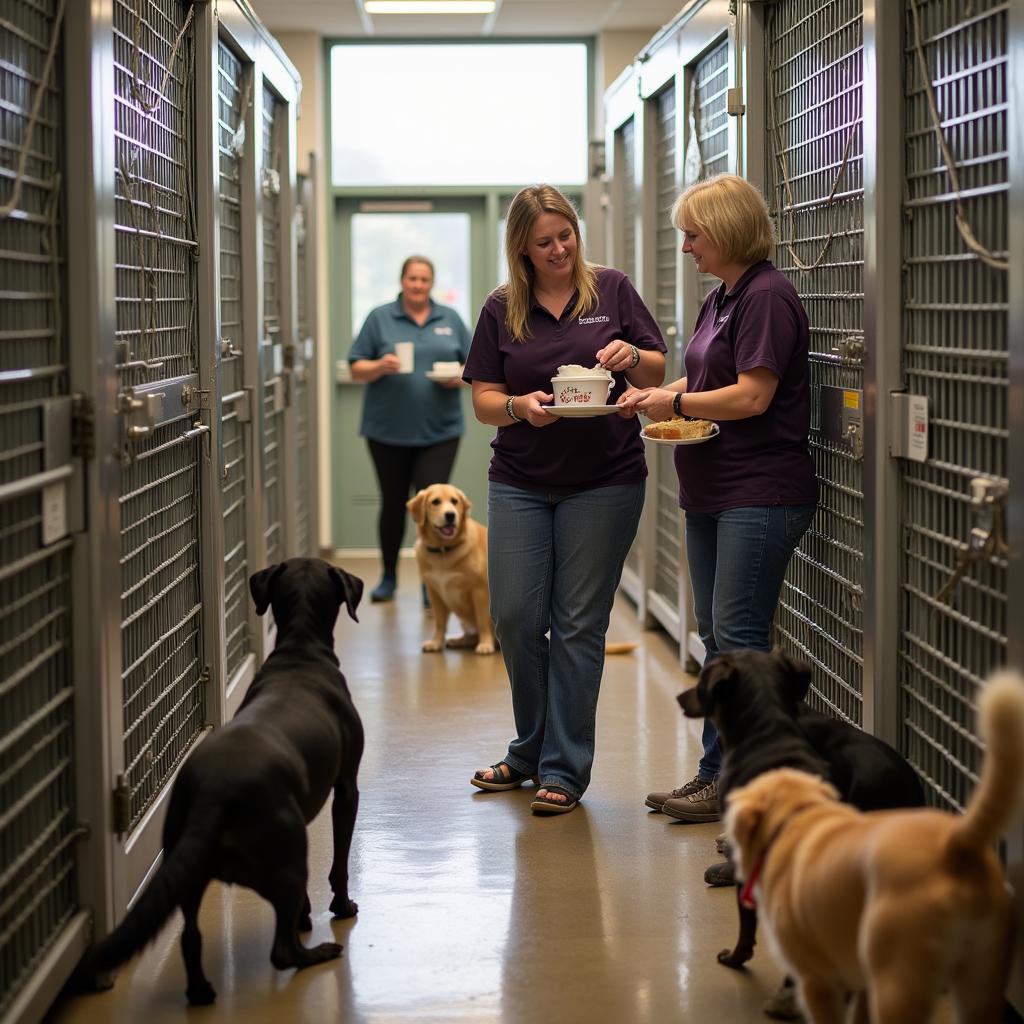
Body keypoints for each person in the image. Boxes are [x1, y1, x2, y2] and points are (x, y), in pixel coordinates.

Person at [621, 173, 817, 832]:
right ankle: (720, 776)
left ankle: (740, 787)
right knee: (717, 636)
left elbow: (751, 396)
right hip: (713, 489)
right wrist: (650, 394)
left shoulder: (766, 296)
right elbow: (704, 378)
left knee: (737, 642)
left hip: (758, 491)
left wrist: (671, 402)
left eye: (693, 235)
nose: (685, 248)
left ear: (727, 232)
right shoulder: (722, 298)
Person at [463, 184, 667, 814]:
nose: (558, 249)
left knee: (579, 623)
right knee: (517, 618)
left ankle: (563, 770)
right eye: (544, 241)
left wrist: (632, 354)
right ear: (521, 247)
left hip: (605, 479)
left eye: (566, 235)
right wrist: (519, 408)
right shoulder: (503, 307)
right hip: (521, 479)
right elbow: (483, 403)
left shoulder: (612, 289)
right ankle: (529, 749)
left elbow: (656, 370)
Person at [348, 256, 471, 602]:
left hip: (440, 431)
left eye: (424, 279)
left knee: (434, 507)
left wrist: (457, 377)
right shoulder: (380, 318)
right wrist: (379, 366)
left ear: (431, 284)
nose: (418, 285)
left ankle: (430, 585)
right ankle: (388, 576)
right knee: (393, 504)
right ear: (402, 281)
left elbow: (477, 366)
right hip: (386, 430)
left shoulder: (450, 318)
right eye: (412, 279)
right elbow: (356, 368)